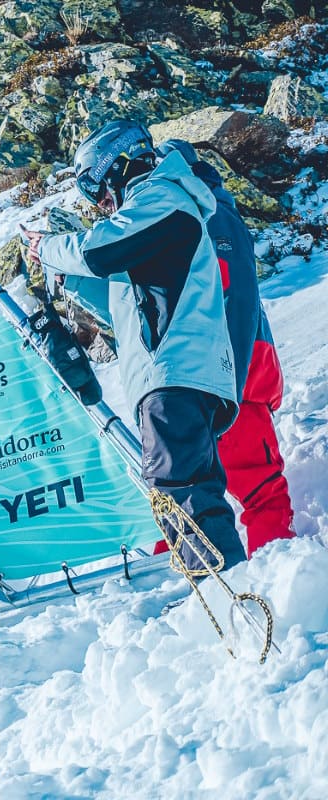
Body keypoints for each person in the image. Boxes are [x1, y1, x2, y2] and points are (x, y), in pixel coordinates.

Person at [24, 119, 247, 572]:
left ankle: (226, 593)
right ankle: (224, 591)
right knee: (187, 490)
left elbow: (98, 249)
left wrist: (48, 247)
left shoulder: (162, 198)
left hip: (175, 371)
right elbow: (127, 303)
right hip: (175, 371)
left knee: (181, 490)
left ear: (118, 165)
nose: (101, 203)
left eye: (96, 188)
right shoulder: (157, 213)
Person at [155, 139, 297, 556]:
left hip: (215, 381)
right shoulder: (214, 214)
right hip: (231, 382)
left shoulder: (195, 217)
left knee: (185, 496)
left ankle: (180, 591)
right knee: (256, 490)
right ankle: (274, 573)